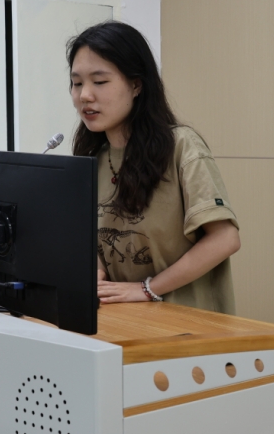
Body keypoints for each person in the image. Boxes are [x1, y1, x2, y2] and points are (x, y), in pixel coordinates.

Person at [68, 21, 241, 313]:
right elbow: (95, 241)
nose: (85, 95)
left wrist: (147, 289)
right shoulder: (92, 158)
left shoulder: (182, 146)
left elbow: (225, 239)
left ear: (136, 85)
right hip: (127, 322)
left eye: (99, 82)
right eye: (76, 83)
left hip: (190, 324)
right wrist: (95, 270)